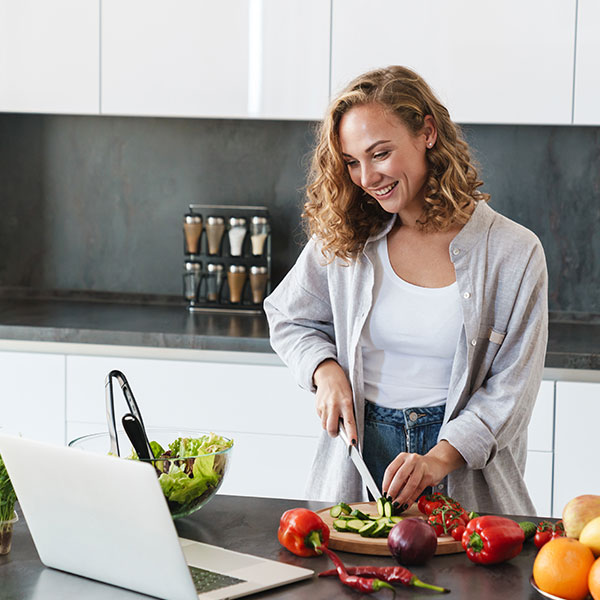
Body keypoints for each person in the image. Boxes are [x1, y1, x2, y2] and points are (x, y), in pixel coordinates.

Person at [264, 66, 548, 515]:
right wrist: (324, 369)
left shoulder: (513, 253)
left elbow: (510, 393)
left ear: (427, 133)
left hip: (460, 473)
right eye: (352, 161)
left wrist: (438, 460)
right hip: (358, 465)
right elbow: (288, 315)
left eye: (379, 154)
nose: (366, 177)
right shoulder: (347, 237)